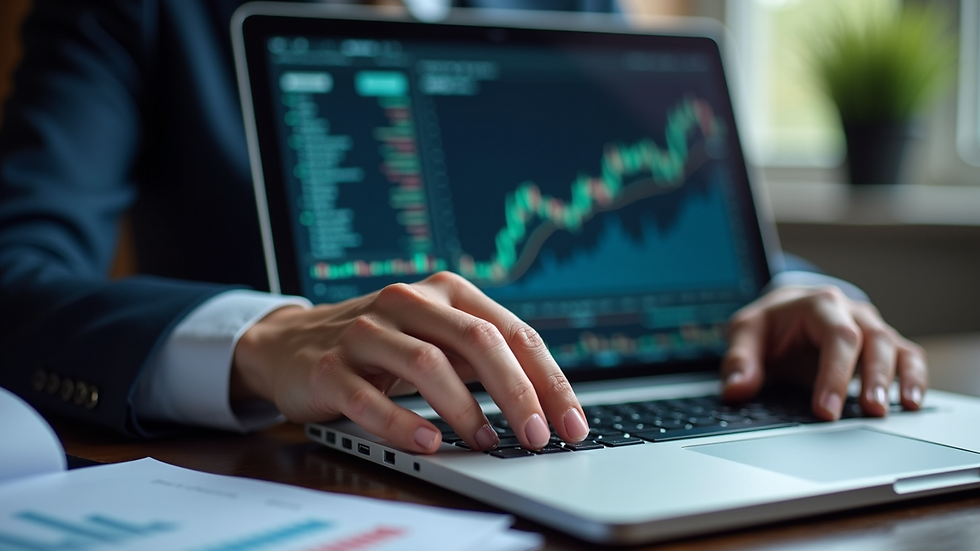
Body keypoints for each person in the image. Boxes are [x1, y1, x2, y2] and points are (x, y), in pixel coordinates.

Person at [0, 0, 926, 454]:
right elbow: (16, 273)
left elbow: (693, 218)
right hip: (329, 468)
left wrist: (804, 290)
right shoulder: (135, 12)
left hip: (601, 415)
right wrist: (260, 337)